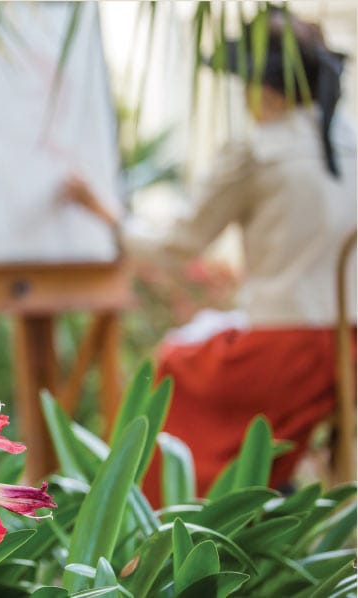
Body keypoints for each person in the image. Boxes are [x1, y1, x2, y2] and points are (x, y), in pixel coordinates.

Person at [64, 9, 356, 503]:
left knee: (170, 371)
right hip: (348, 351)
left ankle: (184, 515)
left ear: (264, 89)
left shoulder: (258, 151)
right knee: (209, 345)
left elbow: (180, 244)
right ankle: (269, 488)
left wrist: (107, 216)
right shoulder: (349, 141)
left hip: (287, 354)